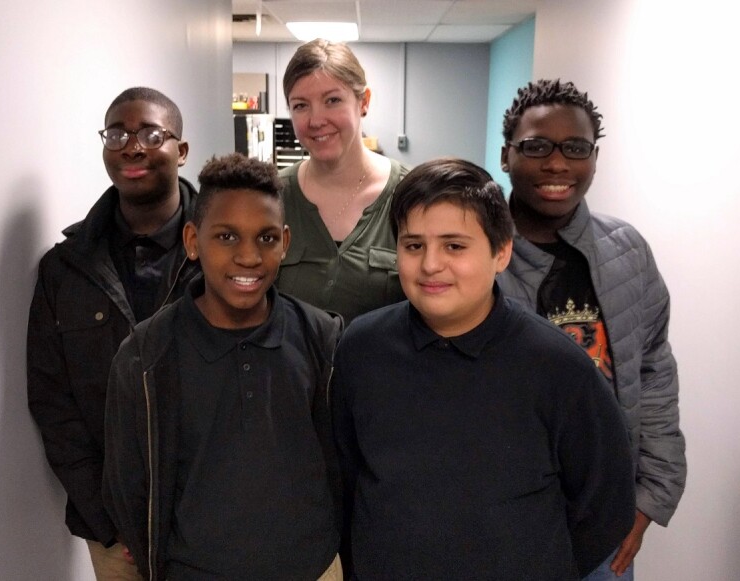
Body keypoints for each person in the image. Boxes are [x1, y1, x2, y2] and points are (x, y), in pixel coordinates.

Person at [332, 158, 636, 579]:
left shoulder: (557, 366)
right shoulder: (361, 350)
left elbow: (604, 503)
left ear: (501, 252)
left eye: (454, 246)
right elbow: (344, 481)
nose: (430, 264)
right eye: (413, 245)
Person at [103, 153, 343, 581]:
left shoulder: (320, 338)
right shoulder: (145, 356)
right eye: (227, 237)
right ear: (194, 241)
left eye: (266, 238)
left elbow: (340, 458)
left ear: (285, 242)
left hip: (313, 567)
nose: (249, 256)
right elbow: (128, 489)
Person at [498, 79, 687, 579]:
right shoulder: (475, 259)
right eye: (536, 146)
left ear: (594, 159)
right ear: (505, 155)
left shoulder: (628, 252)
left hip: (605, 517)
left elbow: (654, 375)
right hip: (501, 517)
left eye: (575, 148)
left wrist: (648, 499)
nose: (557, 164)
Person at [27, 87, 198, 579]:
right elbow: (51, 401)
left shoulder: (223, 255)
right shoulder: (65, 268)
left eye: (151, 133)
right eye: (117, 134)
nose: (132, 146)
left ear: (181, 151)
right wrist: (107, 519)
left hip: (212, 522)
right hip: (113, 532)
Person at [276, 38, 409, 323]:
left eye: (332, 100)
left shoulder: (411, 194)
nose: (316, 120)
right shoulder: (272, 195)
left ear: (364, 102)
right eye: (300, 105)